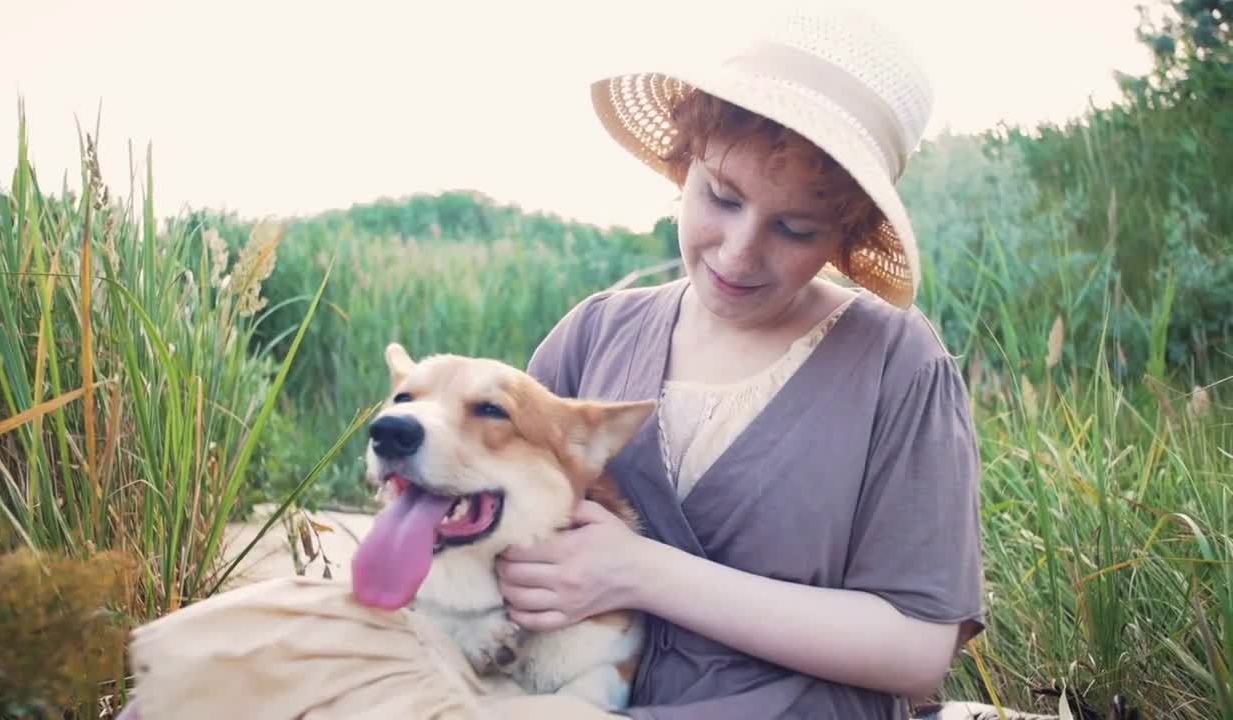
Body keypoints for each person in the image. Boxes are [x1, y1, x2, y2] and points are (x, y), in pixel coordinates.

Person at [114, 3, 986, 719]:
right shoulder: (595, 334)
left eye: (795, 229)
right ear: (682, 165)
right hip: (538, 692)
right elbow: (487, 520)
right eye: (719, 196)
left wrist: (642, 571)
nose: (738, 251)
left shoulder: (896, 366)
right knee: (240, 658)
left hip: (776, 711)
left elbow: (914, 652)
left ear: (847, 236)